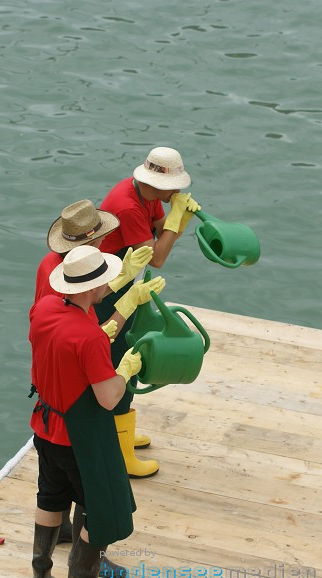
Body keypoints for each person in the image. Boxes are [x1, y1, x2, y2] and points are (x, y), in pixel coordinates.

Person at [28, 245, 166, 578]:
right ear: (90, 288)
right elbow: (108, 397)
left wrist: (127, 304)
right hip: (79, 439)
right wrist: (125, 370)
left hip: (45, 427)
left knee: (50, 497)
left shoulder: (45, 309)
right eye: (106, 278)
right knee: (99, 509)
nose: (111, 283)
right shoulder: (88, 337)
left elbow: (84, 338)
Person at [95, 147, 201, 477]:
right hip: (107, 292)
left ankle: (121, 430)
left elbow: (160, 235)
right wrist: (176, 220)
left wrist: (177, 220)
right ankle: (120, 453)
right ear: (156, 183)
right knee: (120, 359)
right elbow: (157, 258)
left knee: (128, 352)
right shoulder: (127, 205)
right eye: (175, 187)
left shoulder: (145, 194)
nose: (178, 192)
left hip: (125, 280)